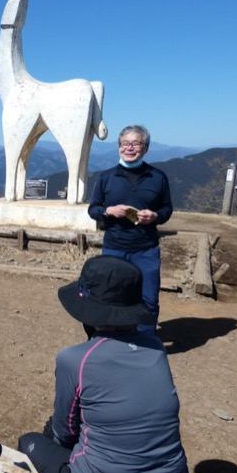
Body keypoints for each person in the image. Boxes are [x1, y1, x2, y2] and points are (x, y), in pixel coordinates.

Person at [18, 255, 191, 473]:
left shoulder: (75, 359)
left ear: (88, 312)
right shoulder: (156, 348)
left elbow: (64, 433)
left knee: (29, 441)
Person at [87, 125, 172, 333]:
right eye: (125, 143)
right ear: (119, 147)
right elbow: (93, 209)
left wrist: (155, 216)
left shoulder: (158, 177)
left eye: (136, 143)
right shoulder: (106, 177)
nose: (130, 148)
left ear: (146, 148)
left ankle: (146, 346)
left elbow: (167, 209)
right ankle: (111, 341)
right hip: (114, 248)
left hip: (146, 249)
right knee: (111, 298)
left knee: (148, 299)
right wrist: (109, 211)